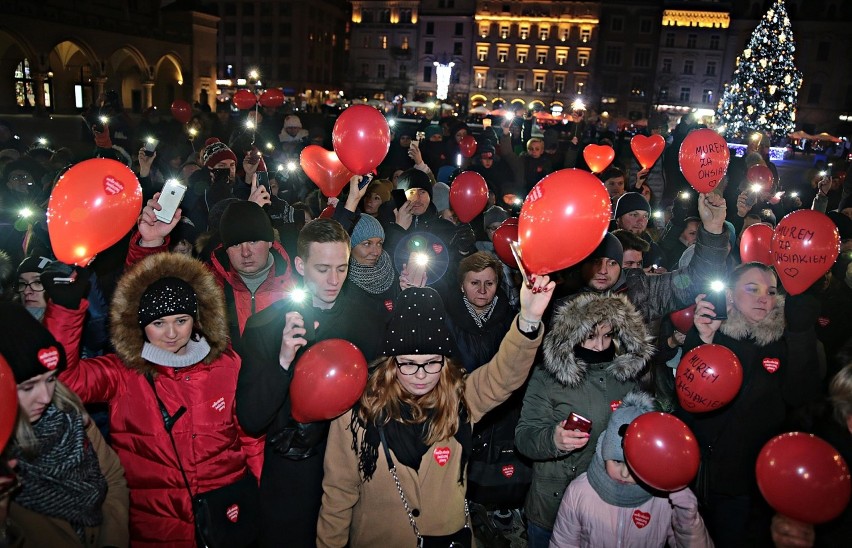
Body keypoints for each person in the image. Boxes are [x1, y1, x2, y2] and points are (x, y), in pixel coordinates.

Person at [316, 275, 555, 547]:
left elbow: (504, 375)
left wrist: (529, 319)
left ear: (445, 361)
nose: (421, 375)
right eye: (408, 363)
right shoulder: (358, 413)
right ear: (391, 363)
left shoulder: (460, 398)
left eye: (431, 362)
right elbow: (338, 494)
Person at [45, 252, 264, 547]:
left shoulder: (226, 363)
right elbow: (62, 382)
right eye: (158, 323)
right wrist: (65, 310)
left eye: (181, 320)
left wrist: (264, 495)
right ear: (140, 324)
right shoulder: (121, 373)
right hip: (156, 527)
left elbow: (249, 436)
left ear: (196, 319)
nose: (172, 333)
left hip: (227, 515)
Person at [236, 218, 386, 548]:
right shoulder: (267, 325)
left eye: (342, 268)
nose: (334, 280)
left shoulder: (369, 321)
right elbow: (250, 418)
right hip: (292, 479)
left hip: (354, 471)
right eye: (322, 269)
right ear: (301, 265)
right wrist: (283, 363)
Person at [678, 262, 823, 546]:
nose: (763, 298)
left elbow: (803, 398)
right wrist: (702, 338)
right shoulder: (713, 335)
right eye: (752, 289)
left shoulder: (785, 340)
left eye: (770, 291)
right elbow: (687, 403)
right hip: (707, 478)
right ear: (730, 295)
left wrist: (801, 333)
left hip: (757, 483)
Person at [515, 292, 654, 547]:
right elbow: (524, 438)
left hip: (608, 507)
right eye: (590, 337)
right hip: (553, 507)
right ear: (572, 335)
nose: (600, 346)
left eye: (608, 335)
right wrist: (553, 439)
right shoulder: (547, 378)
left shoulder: (627, 376)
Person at [0, 302, 129, 548]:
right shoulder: (4, 452)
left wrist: (112, 540)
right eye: (27, 387)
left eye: (50, 380)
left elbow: (112, 478)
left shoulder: (71, 413)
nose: (46, 397)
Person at [549, 392, 712, 548]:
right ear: (604, 451)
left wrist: (688, 520)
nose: (625, 474)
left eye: (635, 466)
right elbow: (563, 542)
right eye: (617, 461)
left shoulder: (663, 500)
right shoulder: (580, 491)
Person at [346, 213, 400, 318]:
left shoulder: (392, 273)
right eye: (367, 244)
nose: (376, 252)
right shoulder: (340, 283)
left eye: (379, 243)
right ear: (350, 246)